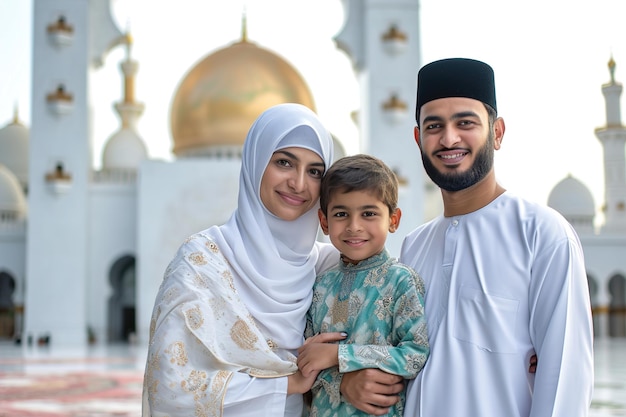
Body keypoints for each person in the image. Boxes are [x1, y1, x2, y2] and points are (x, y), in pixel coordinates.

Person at [340, 58, 595, 416]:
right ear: (418, 139)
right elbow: (398, 355)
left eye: (465, 123)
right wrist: (347, 380)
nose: (449, 138)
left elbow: (564, 380)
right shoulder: (415, 245)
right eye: (434, 126)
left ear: (497, 133)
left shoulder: (541, 234)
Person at [142, 103, 346, 417]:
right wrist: (289, 383)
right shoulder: (202, 262)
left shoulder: (329, 266)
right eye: (284, 162)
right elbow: (171, 386)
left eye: (315, 171)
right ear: (255, 163)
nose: (299, 183)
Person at [296, 154, 430, 416]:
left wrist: (339, 356)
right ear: (325, 222)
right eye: (341, 214)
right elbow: (307, 362)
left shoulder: (400, 281)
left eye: (368, 213)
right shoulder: (320, 285)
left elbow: (415, 355)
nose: (354, 226)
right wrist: (338, 381)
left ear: (393, 220)